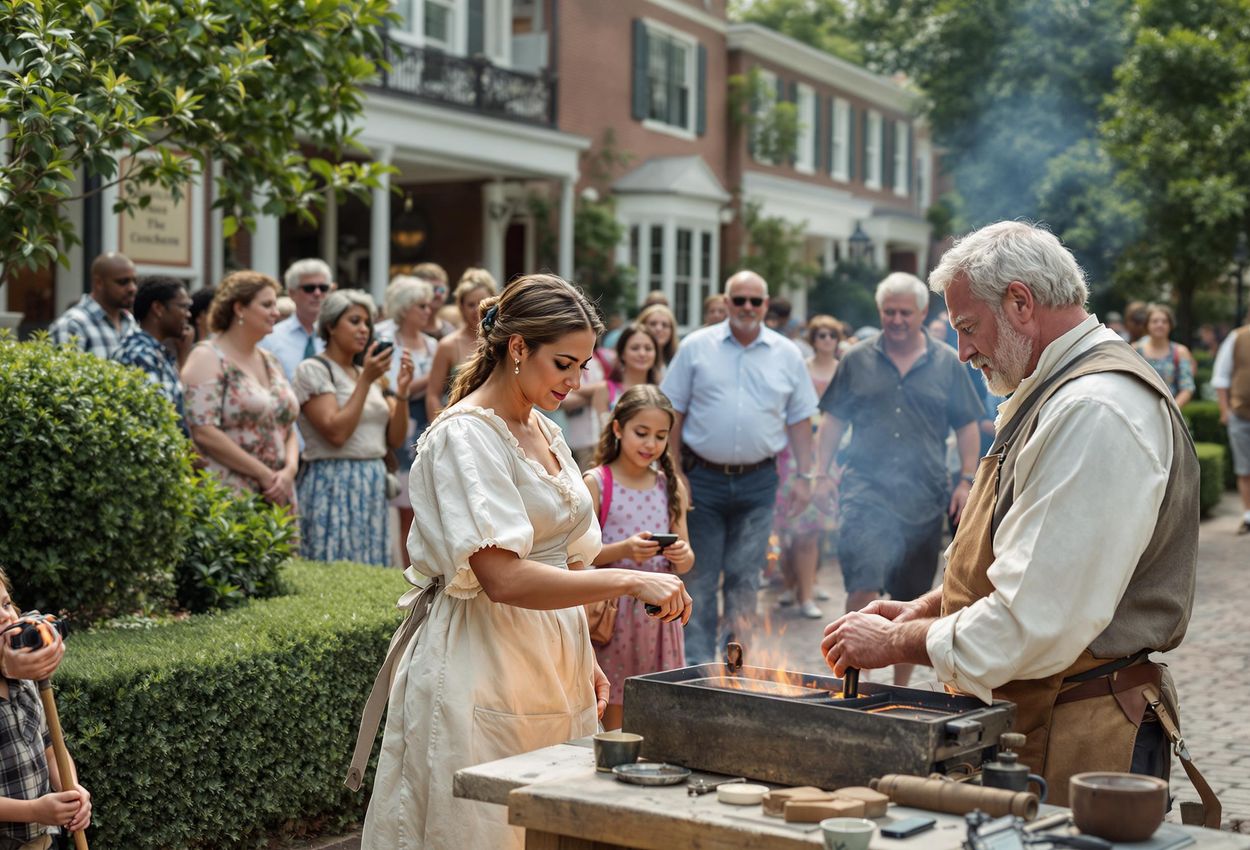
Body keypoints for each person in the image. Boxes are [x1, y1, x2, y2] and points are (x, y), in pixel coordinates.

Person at [821, 221, 1199, 805]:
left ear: (1020, 302)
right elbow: (1019, 555)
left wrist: (898, 644)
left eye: (968, 328)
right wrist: (929, 607)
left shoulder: (1094, 409)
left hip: (1081, 732)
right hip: (1044, 716)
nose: (964, 350)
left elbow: (1033, 619)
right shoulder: (1052, 388)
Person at [354, 274, 692, 850]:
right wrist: (634, 579)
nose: (576, 381)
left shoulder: (546, 430)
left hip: (552, 659)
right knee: (484, 827)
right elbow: (503, 577)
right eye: (564, 363)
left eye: (584, 366)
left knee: (551, 825)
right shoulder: (464, 436)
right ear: (517, 348)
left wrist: (582, 651)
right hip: (481, 656)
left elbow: (567, 558)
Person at [814, 273, 982, 685]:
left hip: (924, 496)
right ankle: (855, 683)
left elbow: (967, 426)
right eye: (889, 312)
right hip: (864, 490)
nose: (897, 319)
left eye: (905, 312)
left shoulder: (946, 362)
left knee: (911, 599)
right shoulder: (856, 359)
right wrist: (820, 474)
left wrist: (965, 480)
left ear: (923, 313)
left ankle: (900, 687)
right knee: (862, 584)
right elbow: (832, 420)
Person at [661, 270, 819, 665]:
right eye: (739, 300)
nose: (747, 307)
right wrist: (675, 472)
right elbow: (672, 412)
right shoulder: (697, 347)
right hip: (702, 479)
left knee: (745, 579)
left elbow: (800, 420)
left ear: (766, 305)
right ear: (727, 302)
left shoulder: (787, 353)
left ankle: (733, 665)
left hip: (759, 483)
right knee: (698, 575)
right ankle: (697, 668)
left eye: (755, 300)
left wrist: (805, 476)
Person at [583, 385, 695, 731]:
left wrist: (682, 554)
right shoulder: (597, 484)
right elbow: (580, 557)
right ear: (618, 429)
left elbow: (687, 560)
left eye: (660, 436)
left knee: (657, 709)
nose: (651, 444)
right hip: (615, 618)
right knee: (616, 711)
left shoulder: (670, 485)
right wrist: (625, 550)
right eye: (641, 433)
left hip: (661, 618)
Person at [292, 291, 413, 566]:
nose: (363, 330)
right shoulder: (314, 370)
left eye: (367, 323)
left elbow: (394, 438)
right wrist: (366, 381)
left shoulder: (368, 375)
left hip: (371, 480)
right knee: (333, 565)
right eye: (354, 321)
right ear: (331, 326)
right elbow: (336, 433)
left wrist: (403, 392)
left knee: (368, 567)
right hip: (333, 480)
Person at [182, 272, 300, 503]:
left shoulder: (271, 361)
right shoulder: (207, 356)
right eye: (267, 305)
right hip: (231, 494)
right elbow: (203, 431)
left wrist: (289, 471)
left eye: (275, 305)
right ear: (239, 309)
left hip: (280, 491)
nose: (276, 313)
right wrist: (263, 474)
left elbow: (287, 424)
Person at [0, 569, 92, 850]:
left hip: (43, 841)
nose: (6, 616)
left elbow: (53, 750)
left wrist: (72, 788)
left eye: (5, 604)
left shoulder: (25, 680)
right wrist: (34, 811)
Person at [774, 315, 843, 619]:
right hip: (795, 453)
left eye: (832, 335)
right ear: (813, 338)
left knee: (812, 531)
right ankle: (792, 584)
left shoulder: (842, 370)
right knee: (787, 526)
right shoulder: (801, 368)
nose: (827, 340)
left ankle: (807, 588)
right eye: (821, 335)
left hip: (826, 454)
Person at [374, 277, 440, 562]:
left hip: (428, 424)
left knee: (425, 507)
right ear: (405, 309)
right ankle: (405, 568)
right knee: (405, 509)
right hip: (401, 425)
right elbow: (390, 387)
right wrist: (431, 378)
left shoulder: (432, 344)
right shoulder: (388, 342)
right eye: (421, 306)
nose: (428, 311)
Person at [111, 277, 194, 435]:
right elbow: (156, 423)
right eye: (183, 307)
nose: (188, 314)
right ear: (158, 308)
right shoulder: (140, 354)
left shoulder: (156, 353)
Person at [425, 268, 498, 423]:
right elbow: (432, 395)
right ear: (461, 307)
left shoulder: (504, 340)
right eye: (471, 304)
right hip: (460, 424)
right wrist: (437, 428)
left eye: (482, 302)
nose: (477, 310)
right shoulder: (448, 345)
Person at [48, 252, 137, 358]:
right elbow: (64, 372)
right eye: (123, 282)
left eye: (134, 281)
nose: (132, 288)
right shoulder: (72, 325)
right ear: (99, 283)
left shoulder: (131, 322)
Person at [260, 258, 334, 380]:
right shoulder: (270, 338)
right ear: (291, 293)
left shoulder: (339, 337)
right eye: (309, 288)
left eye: (323, 288)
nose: (317, 293)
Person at [1212, 316, 1250, 534]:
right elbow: (1221, 377)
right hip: (1241, 413)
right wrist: (1225, 411)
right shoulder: (1237, 337)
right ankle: (1248, 516)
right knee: (1245, 468)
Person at [1134, 303, 1196, 407]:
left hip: (1169, 414)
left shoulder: (1180, 352)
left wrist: (1171, 410)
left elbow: (1187, 387)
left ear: (1170, 325)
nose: (1160, 324)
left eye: (1164, 321)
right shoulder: (1136, 350)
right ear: (1147, 325)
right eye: (1155, 321)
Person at [412, 261, 455, 340]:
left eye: (441, 289)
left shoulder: (450, 331)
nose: (437, 294)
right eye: (431, 289)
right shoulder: (406, 331)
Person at [637, 303, 679, 376]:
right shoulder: (635, 359)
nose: (659, 328)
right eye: (653, 324)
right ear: (642, 326)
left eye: (665, 325)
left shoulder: (678, 360)